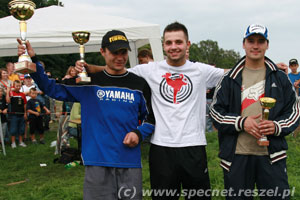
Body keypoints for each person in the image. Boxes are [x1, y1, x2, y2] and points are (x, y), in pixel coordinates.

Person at [76, 22, 226, 199]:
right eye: (169, 43)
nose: (174, 47)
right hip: (161, 147)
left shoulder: (201, 70)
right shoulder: (149, 70)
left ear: (188, 44)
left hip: (193, 146)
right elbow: (119, 71)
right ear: (163, 45)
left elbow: (234, 74)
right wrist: (91, 69)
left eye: (179, 42)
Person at [17, 29, 155, 200]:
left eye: (123, 52)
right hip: (97, 163)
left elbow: (151, 119)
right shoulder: (89, 81)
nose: (120, 57)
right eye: (114, 52)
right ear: (102, 52)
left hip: (130, 163)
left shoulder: (139, 84)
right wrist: (33, 60)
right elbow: (52, 88)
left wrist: (138, 133)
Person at [210, 24, 300, 199]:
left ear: (267, 45)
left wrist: (276, 126)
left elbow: (295, 110)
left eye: (260, 41)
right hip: (237, 157)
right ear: (244, 44)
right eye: (251, 41)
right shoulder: (229, 78)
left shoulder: (280, 77)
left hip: (272, 156)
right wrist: (241, 122)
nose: (255, 46)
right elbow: (215, 112)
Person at [6, 80, 27, 148]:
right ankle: (13, 142)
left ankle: (21, 142)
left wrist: (25, 113)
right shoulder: (11, 93)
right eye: (17, 86)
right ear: (14, 86)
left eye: (19, 86)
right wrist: (8, 91)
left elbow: (24, 104)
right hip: (14, 115)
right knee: (13, 129)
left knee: (21, 129)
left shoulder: (22, 94)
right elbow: (8, 101)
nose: (18, 87)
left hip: (21, 114)